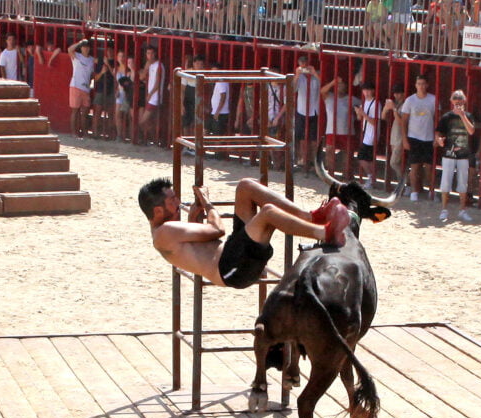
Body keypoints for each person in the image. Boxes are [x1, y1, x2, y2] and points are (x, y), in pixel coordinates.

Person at [138, 178, 351, 288]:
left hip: (233, 252)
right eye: (172, 201)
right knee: (267, 213)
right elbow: (216, 230)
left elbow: (196, 246)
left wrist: (193, 218)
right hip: (230, 269)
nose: (177, 204)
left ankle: (311, 216)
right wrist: (208, 205)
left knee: (245, 187)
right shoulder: (163, 233)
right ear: (158, 211)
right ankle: (324, 233)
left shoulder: (167, 232)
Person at [435, 89, 475, 222]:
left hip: (463, 154)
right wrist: (439, 140)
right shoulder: (447, 117)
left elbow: (471, 131)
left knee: (463, 183)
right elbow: (439, 132)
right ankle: (444, 209)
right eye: (455, 101)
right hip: (449, 153)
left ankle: (462, 209)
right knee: (445, 182)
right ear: (452, 102)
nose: (458, 104)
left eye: (460, 101)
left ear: (464, 102)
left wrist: (462, 115)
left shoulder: (468, 116)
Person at [401, 74, 436, 201]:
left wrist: (437, 137)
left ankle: (431, 191)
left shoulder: (433, 99)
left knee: (429, 167)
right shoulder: (410, 100)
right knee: (414, 166)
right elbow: (404, 121)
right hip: (414, 137)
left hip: (428, 138)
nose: (421, 86)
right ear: (415, 85)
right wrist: (404, 139)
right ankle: (414, 192)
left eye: (423, 83)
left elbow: (437, 119)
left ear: (427, 85)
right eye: (418, 84)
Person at [320, 76, 361, 178]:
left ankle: (346, 175)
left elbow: (362, 107)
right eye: (338, 86)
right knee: (329, 152)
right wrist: (333, 82)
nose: (340, 88)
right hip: (331, 130)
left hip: (347, 131)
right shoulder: (329, 97)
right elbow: (322, 91)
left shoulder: (352, 99)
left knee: (348, 155)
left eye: (343, 86)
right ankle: (330, 174)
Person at [294, 56, 321, 175]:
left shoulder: (316, 75)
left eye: (305, 63)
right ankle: (303, 160)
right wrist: (297, 75)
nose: (304, 65)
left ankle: (314, 162)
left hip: (314, 111)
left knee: (314, 139)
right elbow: (292, 89)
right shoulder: (299, 77)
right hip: (301, 110)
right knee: (301, 138)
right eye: (301, 63)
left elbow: (323, 86)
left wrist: (314, 73)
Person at [354, 81, 381, 189]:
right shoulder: (365, 102)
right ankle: (371, 178)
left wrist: (363, 114)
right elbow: (359, 119)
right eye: (365, 90)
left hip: (372, 135)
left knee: (362, 157)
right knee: (366, 158)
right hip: (366, 133)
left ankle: (371, 177)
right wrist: (358, 113)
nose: (367, 92)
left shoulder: (376, 103)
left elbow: (375, 122)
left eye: (369, 90)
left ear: (373, 90)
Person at [67, 38, 94, 139]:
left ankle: (85, 132)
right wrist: (79, 43)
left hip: (85, 88)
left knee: (85, 112)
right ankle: (74, 133)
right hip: (75, 86)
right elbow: (69, 49)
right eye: (84, 47)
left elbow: (91, 74)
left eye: (87, 47)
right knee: (75, 111)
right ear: (81, 48)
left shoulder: (91, 60)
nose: (86, 49)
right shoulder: (77, 56)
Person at [139, 46, 164, 145]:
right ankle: (154, 140)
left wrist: (150, 94)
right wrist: (146, 67)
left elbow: (158, 83)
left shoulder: (159, 66)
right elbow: (141, 77)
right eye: (148, 53)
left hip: (155, 97)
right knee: (151, 121)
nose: (150, 56)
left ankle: (154, 139)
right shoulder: (150, 65)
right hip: (151, 97)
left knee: (143, 121)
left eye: (152, 53)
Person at [382, 83, 406, 181]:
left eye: (399, 93)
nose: (396, 96)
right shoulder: (395, 104)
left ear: (404, 94)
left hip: (401, 137)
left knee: (393, 163)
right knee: (397, 162)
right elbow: (383, 117)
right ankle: (402, 184)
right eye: (395, 93)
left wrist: (394, 109)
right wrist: (386, 108)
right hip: (394, 136)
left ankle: (405, 182)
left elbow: (401, 122)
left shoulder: (405, 105)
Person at [91, 46, 115, 140]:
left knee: (110, 114)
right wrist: (102, 72)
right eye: (107, 50)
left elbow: (115, 75)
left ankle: (110, 134)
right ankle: (95, 133)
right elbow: (95, 78)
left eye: (110, 49)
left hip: (111, 90)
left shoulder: (115, 62)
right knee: (97, 112)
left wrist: (108, 65)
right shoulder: (100, 61)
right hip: (100, 89)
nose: (108, 52)